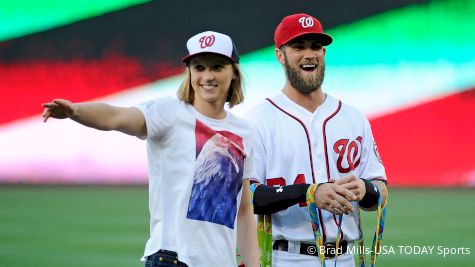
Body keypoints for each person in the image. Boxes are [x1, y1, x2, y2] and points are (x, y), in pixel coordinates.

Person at [42, 31, 259, 267]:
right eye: (199, 67)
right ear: (189, 73)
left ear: (234, 73)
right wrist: (74, 111)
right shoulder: (168, 112)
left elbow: (244, 210)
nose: (207, 76)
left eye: (217, 67)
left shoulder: (245, 131)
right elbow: (115, 117)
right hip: (173, 259)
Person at [245, 14, 388, 267]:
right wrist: (309, 192)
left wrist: (365, 189)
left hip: (346, 257)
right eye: (298, 47)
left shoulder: (353, 118)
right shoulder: (258, 120)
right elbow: (247, 197)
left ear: (323, 52)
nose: (309, 54)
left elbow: (380, 191)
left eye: (315, 47)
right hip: (287, 257)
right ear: (280, 55)